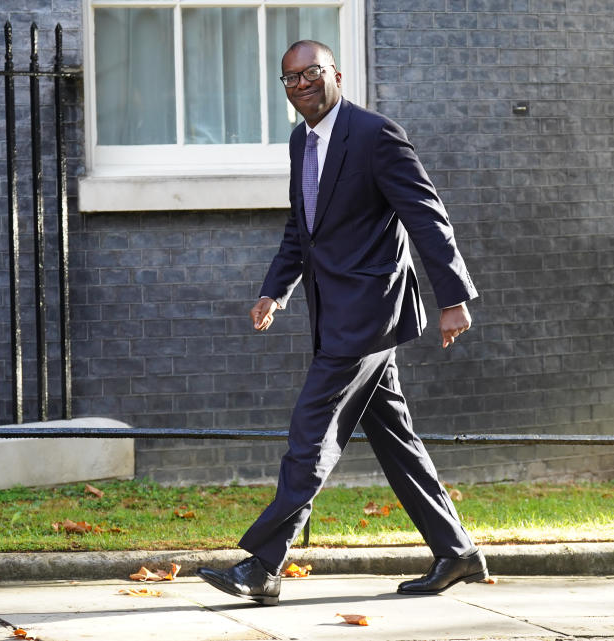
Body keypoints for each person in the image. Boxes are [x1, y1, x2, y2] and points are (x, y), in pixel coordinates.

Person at [196, 40, 487, 606]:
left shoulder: (375, 134)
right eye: (289, 79)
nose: (300, 85)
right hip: (332, 313)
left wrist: (453, 297)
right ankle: (455, 552)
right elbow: (301, 227)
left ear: (336, 74)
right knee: (395, 437)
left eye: (310, 73)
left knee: (312, 429)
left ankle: (263, 564)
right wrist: (274, 290)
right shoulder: (301, 140)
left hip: (371, 312)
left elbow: (426, 215)